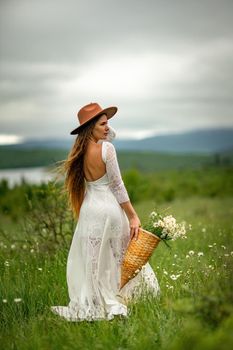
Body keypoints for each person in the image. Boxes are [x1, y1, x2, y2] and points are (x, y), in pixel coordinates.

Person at [51, 102, 160, 322]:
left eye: (108, 123)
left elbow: (108, 137)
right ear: (90, 127)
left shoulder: (79, 153)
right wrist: (133, 215)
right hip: (109, 209)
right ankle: (121, 297)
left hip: (90, 211)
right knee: (119, 258)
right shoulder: (107, 149)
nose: (108, 128)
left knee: (95, 261)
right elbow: (117, 185)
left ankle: (97, 301)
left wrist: (103, 130)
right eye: (103, 124)